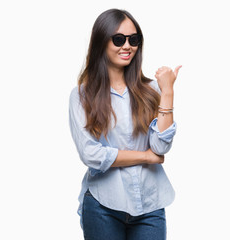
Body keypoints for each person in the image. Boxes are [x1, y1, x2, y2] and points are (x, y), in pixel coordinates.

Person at [69, 8, 181, 240]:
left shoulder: (152, 90)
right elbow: (91, 154)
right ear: (102, 42)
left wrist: (167, 91)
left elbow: (160, 148)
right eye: (118, 39)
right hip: (103, 205)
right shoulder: (82, 95)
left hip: (150, 204)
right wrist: (145, 157)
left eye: (134, 39)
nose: (127, 46)